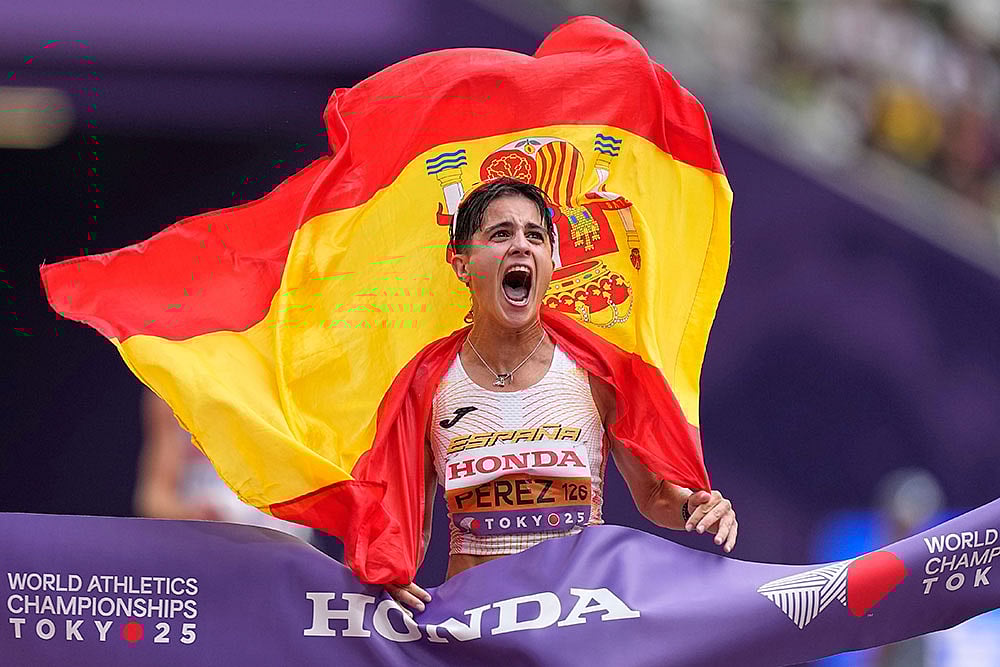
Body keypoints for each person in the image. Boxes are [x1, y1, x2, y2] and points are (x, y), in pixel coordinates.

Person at [386, 178, 738, 612]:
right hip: (473, 633)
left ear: (551, 261)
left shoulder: (597, 372)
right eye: (501, 234)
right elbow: (407, 527)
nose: (521, 246)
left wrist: (695, 509)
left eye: (535, 236)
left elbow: (653, 496)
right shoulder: (427, 383)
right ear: (462, 265)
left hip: (576, 629)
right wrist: (388, 577)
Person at [134, 387, 315, 541]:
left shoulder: (284, 379)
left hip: (284, 546)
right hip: (206, 546)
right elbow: (154, 499)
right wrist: (194, 515)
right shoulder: (169, 390)